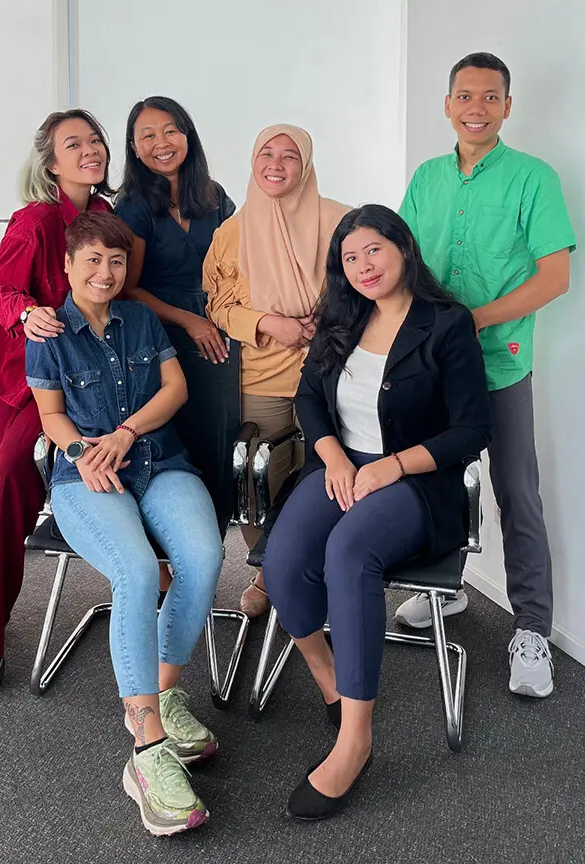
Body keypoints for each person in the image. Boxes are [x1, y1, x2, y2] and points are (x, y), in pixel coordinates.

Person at [262, 205, 491, 821]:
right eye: (350, 257)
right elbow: (310, 395)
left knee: (349, 552)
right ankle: (329, 676)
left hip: (415, 480)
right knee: (281, 564)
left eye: (374, 251)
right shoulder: (343, 315)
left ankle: (355, 740)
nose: (363, 266)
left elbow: (473, 427)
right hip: (343, 465)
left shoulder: (446, 324)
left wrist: (392, 466)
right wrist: (334, 458)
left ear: (403, 249)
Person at [25, 211, 222, 836]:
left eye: (115, 262)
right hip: (86, 475)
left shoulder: (139, 318)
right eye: (92, 261)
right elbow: (50, 415)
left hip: (157, 459)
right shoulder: (48, 331)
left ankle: (161, 693)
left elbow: (176, 389)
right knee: (137, 573)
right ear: (68, 265)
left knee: (204, 557)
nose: (105, 273)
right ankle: (145, 750)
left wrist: (126, 432)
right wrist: (85, 452)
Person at [397, 52, 576, 698]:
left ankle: (531, 628)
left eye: (490, 97)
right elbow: (404, 262)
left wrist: (475, 318)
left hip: (501, 365)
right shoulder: (426, 179)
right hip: (434, 365)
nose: (477, 107)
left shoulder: (533, 178)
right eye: (465, 96)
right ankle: (443, 592)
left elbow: (555, 277)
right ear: (447, 105)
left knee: (516, 491)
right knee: (433, 476)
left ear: (507, 106)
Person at [0, 109, 113, 694]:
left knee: (2, 491)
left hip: (85, 378)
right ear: (50, 161)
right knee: (4, 483)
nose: (89, 150)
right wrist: (27, 311)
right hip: (25, 377)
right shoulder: (37, 219)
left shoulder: (104, 215)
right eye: (74, 144)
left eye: (95, 140)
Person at [203, 124, 349, 616]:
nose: (277, 164)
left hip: (329, 375)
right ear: (252, 159)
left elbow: (368, 288)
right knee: (255, 478)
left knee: (328, 479)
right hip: (259, 376)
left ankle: (325, 571)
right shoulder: (232, 231)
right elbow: (218, 307)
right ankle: (270, 575)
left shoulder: (340, 221)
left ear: (305, 165)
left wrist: (323, 323)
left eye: (290, 156)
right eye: (268, 153)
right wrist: (270, 322)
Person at [114, 96, 238, 549]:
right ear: (133, 146)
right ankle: (167, 568)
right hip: (159, 334)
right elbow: (127, 288)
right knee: (173, 447)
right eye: (147, 135)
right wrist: (189, 321)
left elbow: (241, 263)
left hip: (218, 331)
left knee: (221, 443)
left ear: (188, 134)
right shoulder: (132, 206)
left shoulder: (214, 195)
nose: (161, 143)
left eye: (170, 130)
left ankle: (211, 558)